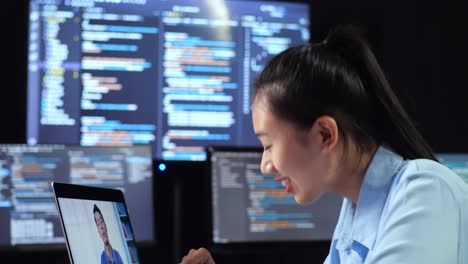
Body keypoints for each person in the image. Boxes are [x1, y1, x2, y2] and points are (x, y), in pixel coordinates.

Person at [180, 24, 468, 264]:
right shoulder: (353, 214)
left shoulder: (424, 189)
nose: (265, 166)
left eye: (268, 145)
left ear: (324, 135)